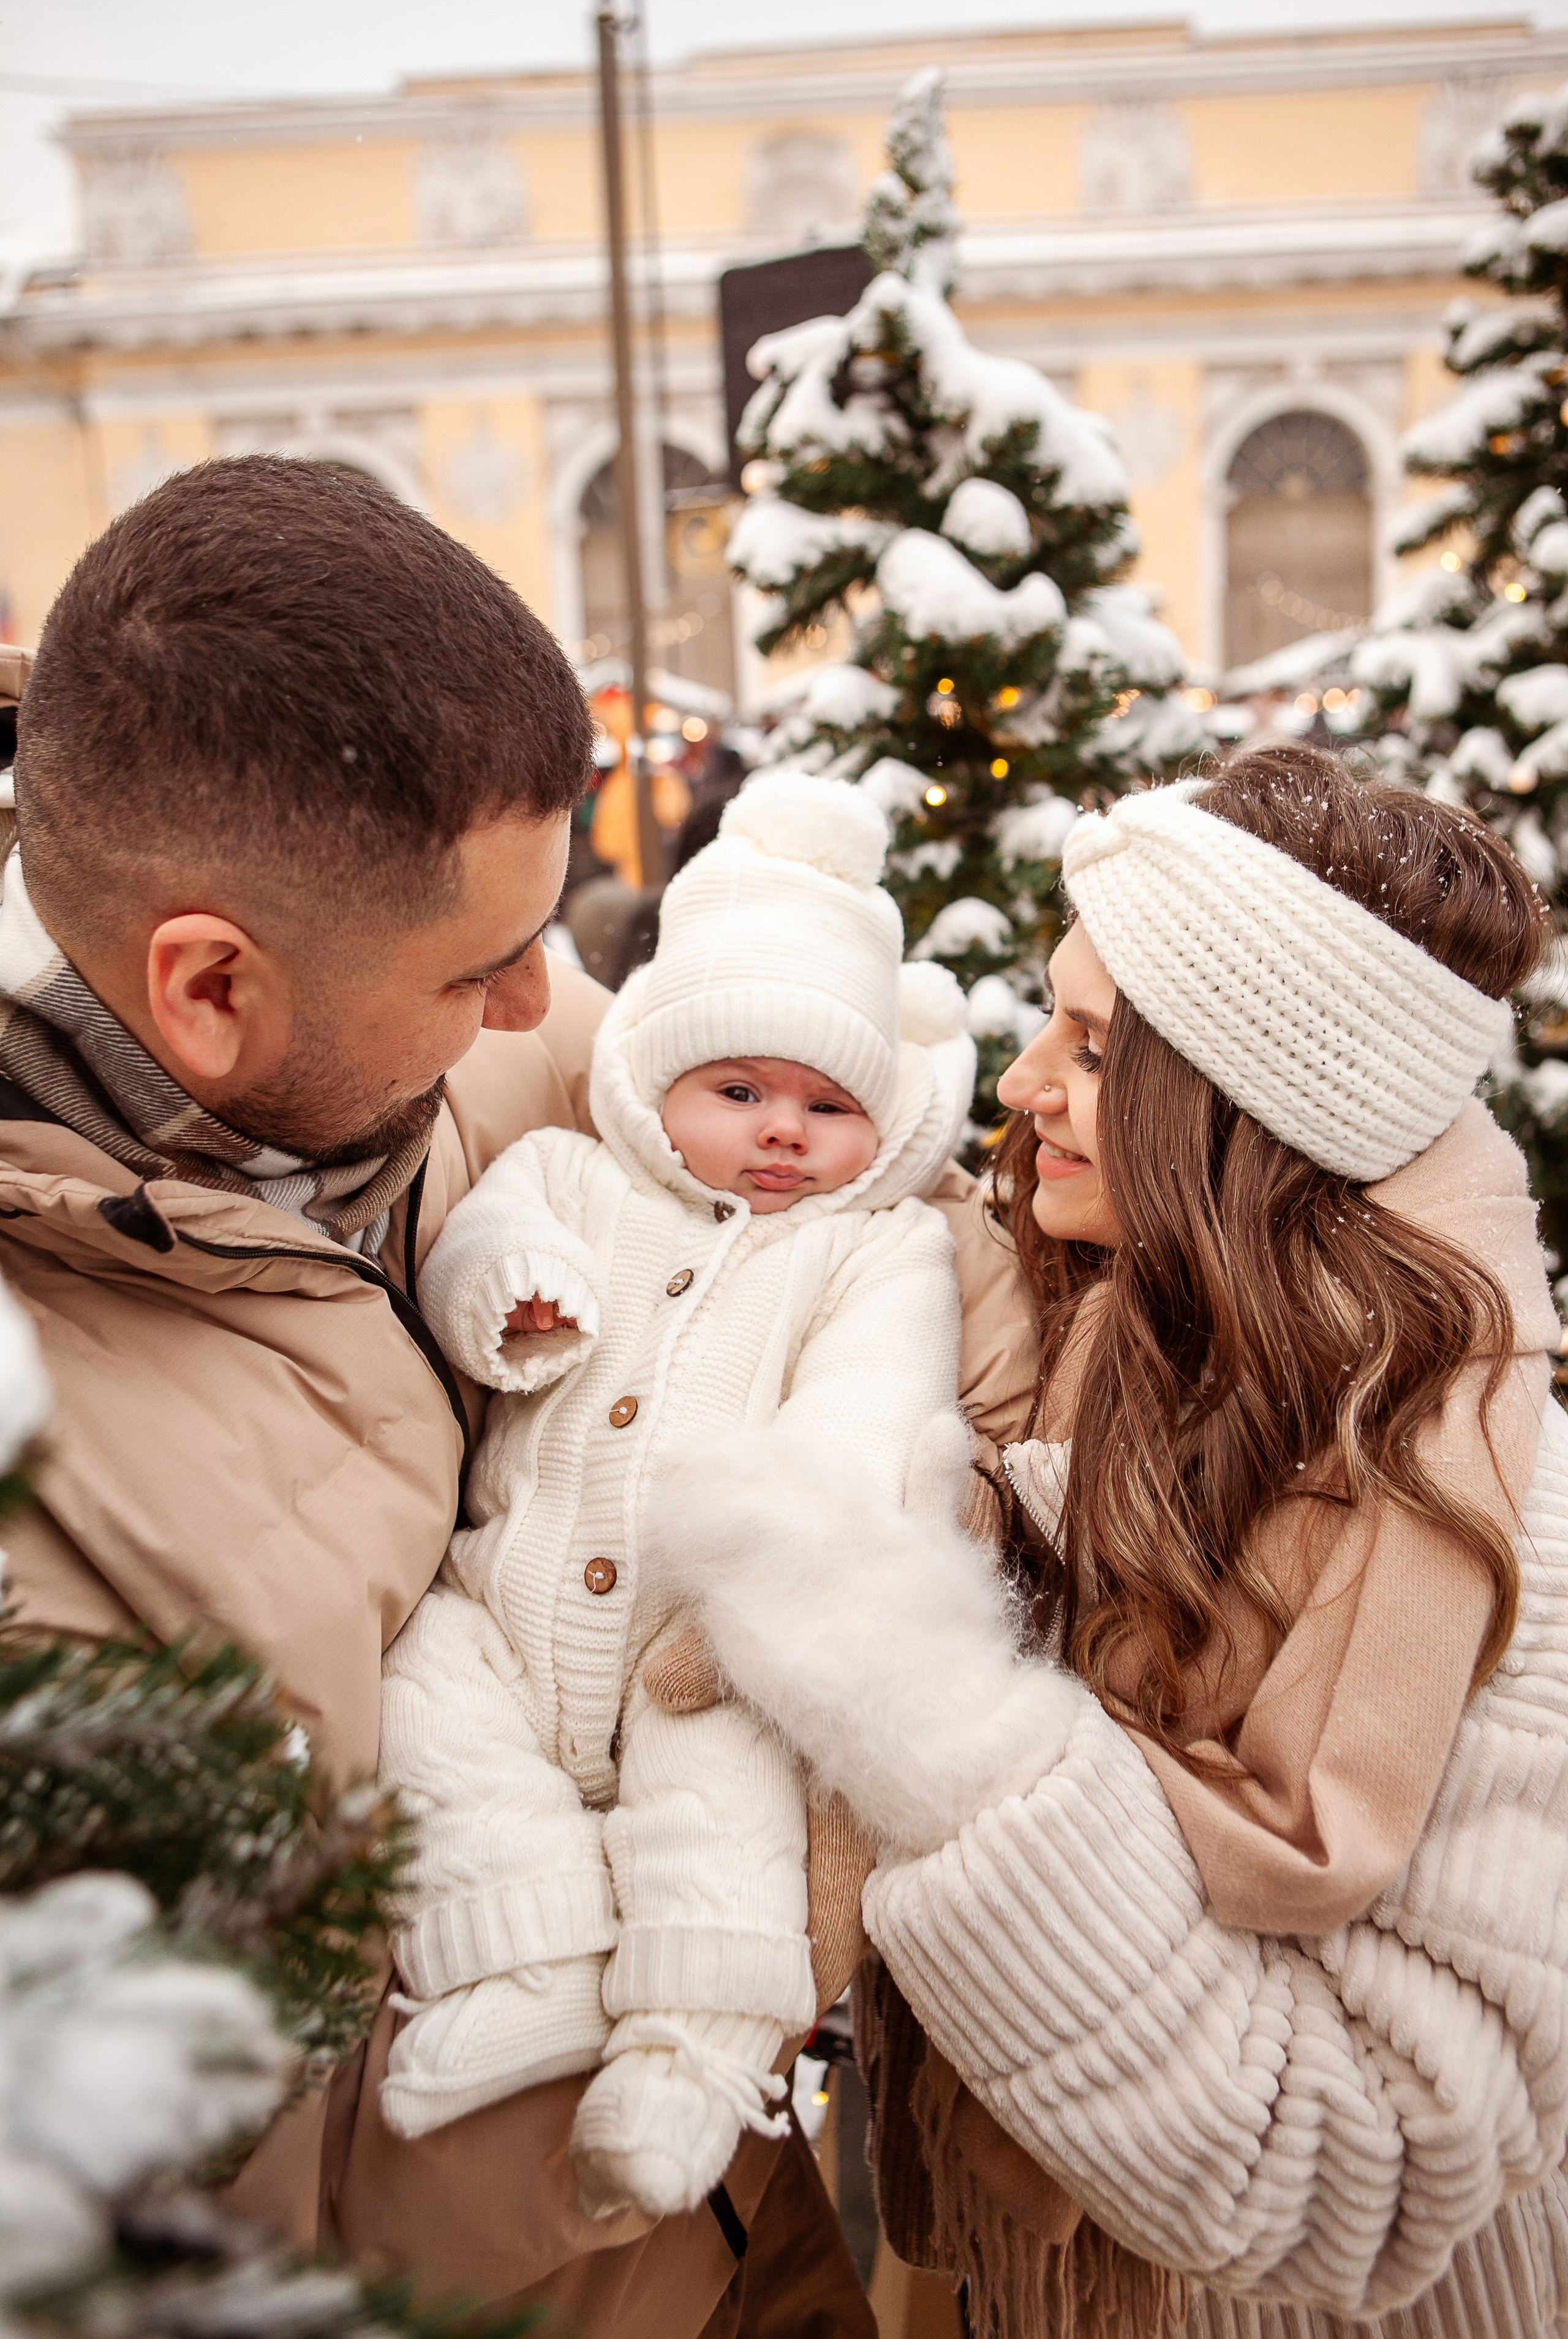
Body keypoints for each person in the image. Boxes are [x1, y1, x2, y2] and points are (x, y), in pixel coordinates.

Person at [0, 457, 1034, 2338]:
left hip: (743, 2208)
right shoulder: (35, 1473)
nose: (552, 1004)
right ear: (210, 987)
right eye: (489, 964)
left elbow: (843, 1202)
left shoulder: (498, 1054)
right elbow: (147, 2210)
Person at [672, 747, 1568, 2337]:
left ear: (1243, 1111)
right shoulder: (1088, 1330)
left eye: (1088, 1049)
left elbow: (1359, 2177)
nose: (1022, 1082)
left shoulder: (1490, 1510)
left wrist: (932, 1721)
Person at [376, 772, 1068, 2222]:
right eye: (737, 1092)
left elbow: (877, 1405)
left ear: (874, 1128)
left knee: (727, 1821)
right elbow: (473, 1254)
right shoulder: (568, 1170)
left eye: (824, 1106)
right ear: (654, 1082)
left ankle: (690, 2062)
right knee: (424, 1711)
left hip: (699, 1642)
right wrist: (501, 1293)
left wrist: (793, 1533)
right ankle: (525, 1969)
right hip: (501, 1596)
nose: (777, 1133)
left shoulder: (872, 1251)